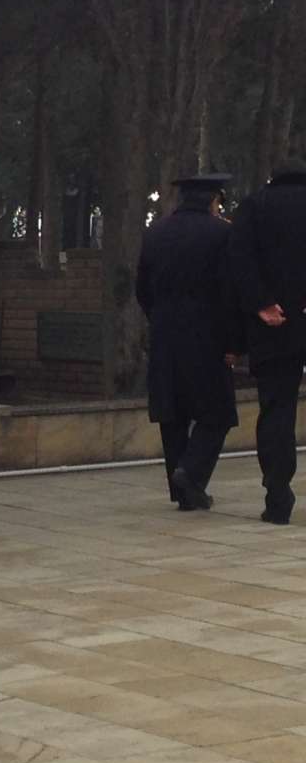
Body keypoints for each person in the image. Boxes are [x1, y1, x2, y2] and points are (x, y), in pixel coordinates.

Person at [135, 174, 239, 511]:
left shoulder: (156, 233)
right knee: (217, 413)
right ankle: (191, 472)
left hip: (165, 333)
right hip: (209, 334)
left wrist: (160, 318)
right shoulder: (223, 233)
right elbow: (230, 291)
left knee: (173, 414)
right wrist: (234, 341)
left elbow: (142, 289)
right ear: (214, 200)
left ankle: (185, 493)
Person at [229, 158, 306, 525]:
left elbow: (239, 261)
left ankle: (278, 497)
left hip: (274, 325)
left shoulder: (254, 206)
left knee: (276, 409)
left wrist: (262, 304)